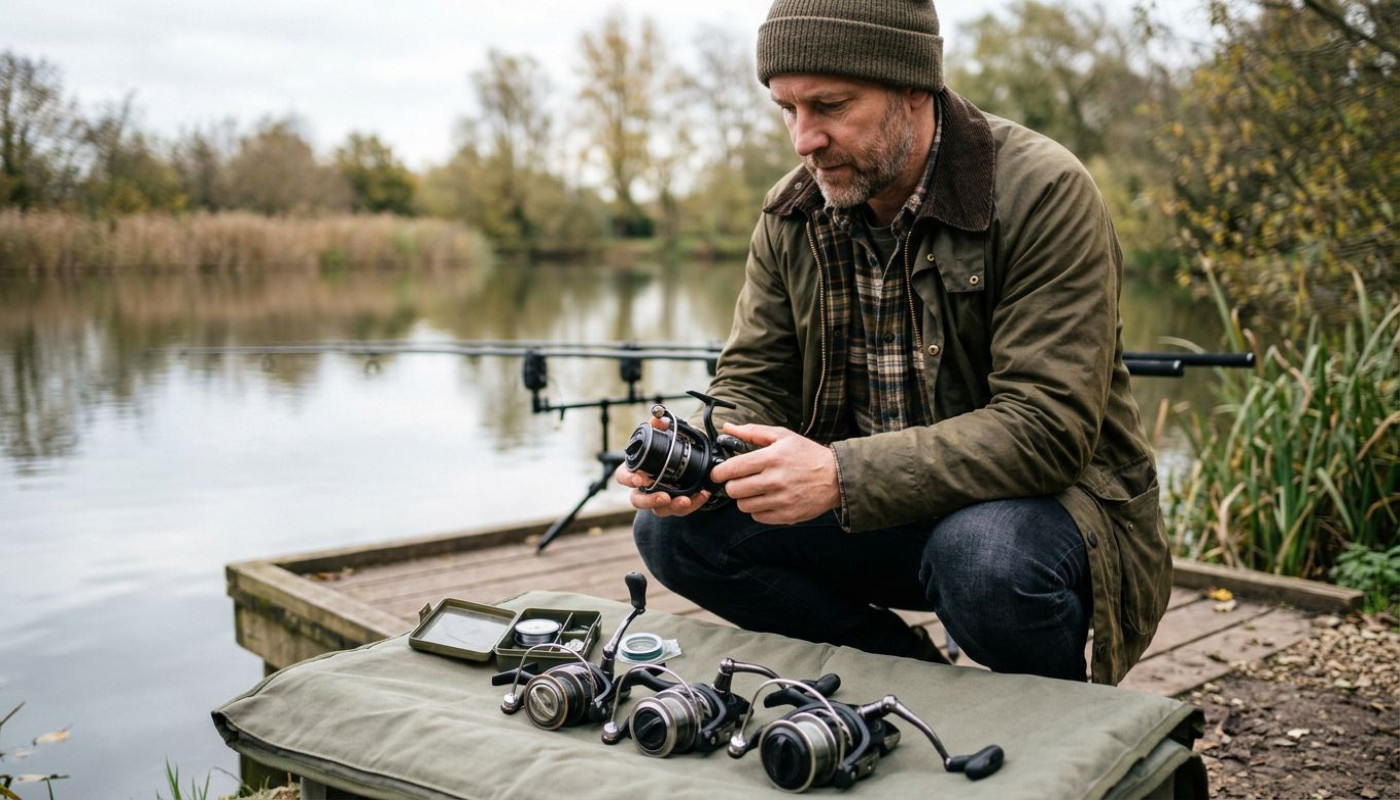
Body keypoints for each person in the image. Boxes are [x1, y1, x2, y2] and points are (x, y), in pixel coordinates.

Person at [616, 0, 1171, 685]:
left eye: (829, 105)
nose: (803, 139)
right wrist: (700, 458)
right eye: (787, 109)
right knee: (673, 534)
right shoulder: (791, 211)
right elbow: (755, 380)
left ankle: (1057, 731)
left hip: (1045, 515)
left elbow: (1046, 432)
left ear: (915, 91)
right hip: (876, 510)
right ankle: (904, 677)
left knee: (979, 558)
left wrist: (841, 475)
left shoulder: (1044, 192)